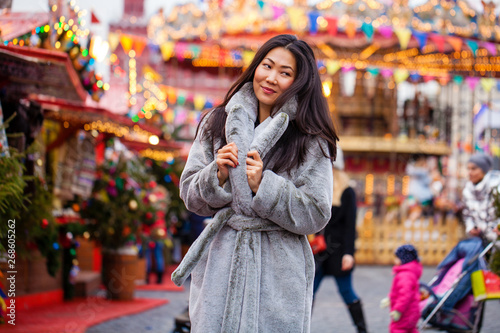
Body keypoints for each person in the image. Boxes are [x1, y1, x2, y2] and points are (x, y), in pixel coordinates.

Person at [171, 34, 338, 332]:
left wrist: (266, 187)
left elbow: (317, 212)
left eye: (285, 73)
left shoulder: (310, 138)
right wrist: (216, 175)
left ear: (299, 82)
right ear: (255, 67)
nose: (271, 78)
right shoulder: (216, 123)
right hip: (222, 262)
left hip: (278, 269)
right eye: (267, 66)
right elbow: (190, 195)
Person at [436, 153, 500, 318]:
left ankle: (447, 308)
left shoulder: (496, 188)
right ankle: (461, 317)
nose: (470, 172)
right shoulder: (468, 191)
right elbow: (468, 214)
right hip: (483, 241)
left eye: (474, 168)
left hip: (497, 240)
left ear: (484, 170)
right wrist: (472, 227)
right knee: (475, 278)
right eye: (468, 168)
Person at [313, 147, 368, 333]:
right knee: (308, 291)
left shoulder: (347, 192)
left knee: (346, 292)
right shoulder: (321, 188)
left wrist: (349, 254)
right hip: (321, 251)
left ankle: (362, 330)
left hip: (338, 250)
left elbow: (350, 227)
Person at [383, 244, 422, 333]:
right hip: (412, 312)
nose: (395, 260)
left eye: (397, 258)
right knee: (410, 329)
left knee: (397, 329)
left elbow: (405, 295)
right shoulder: (409, 273)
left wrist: (398, 310)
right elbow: (400, 292)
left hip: (405, 313)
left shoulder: (405, 275)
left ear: (404, 259)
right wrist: (390, 299)